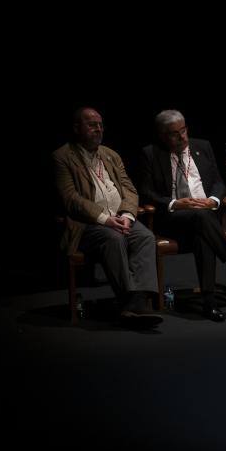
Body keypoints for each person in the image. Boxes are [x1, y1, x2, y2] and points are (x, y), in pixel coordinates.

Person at [137, 110, 226, 321]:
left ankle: (209, 303)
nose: (182, 137)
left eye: (184, 130)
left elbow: (218, 182)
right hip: (174, 218)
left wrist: (214, 200)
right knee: (201, 219)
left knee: (203, 231)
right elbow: (146, 191)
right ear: (162, 135)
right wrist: (176, 203)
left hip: (206, 216)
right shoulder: (151, 154)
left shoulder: (202, 146)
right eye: (175, 134)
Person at [54, 107, 162, 328]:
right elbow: (71, 199)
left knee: (145, 237)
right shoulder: (62, 157)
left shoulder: (110, 154)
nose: (98, 129)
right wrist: (105, 219)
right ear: (77, 128)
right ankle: (130, 302)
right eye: (92, 125)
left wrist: (127, 215)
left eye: (100, 125)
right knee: (113, 238)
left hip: (119, 219)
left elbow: (129, 189)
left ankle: (138, 302)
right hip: (87, 225)